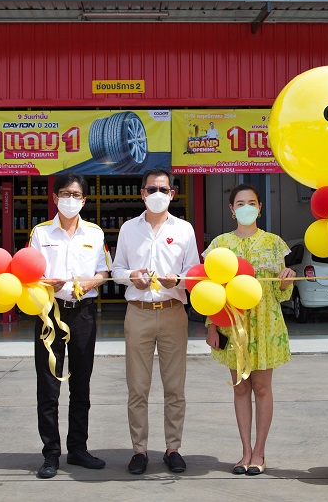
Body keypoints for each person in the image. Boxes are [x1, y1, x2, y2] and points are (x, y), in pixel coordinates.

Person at [111, 168, 200, 475]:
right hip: (139, 312)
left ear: (172, 194)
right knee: (138, 387)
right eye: (152, 189)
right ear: (142, 193)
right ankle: (139, 450)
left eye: (163, 189)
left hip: (173, 311)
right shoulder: (128, 229)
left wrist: (179, 280)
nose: (157, 194)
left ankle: (173, 448)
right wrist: (130, 276)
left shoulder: (184, 229)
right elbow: (116, 270)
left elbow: (194, 273)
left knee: (174, 387)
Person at [204, 183, 296, 476]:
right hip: (232, 324)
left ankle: (259, 452)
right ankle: (244, 452)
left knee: (262, 388)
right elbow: (210, 290)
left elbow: (281, 294)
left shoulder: (274, 243)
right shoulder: (219, 245)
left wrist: (286, 281)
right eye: (240, 203)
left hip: (266, 323)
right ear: (232, 210)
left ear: (260, 208)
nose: (246, 208)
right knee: (240, 387)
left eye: (252, 203)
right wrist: (211, 326)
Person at [28, 174, 111, 479]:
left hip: (83, 313)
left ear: (84, 200)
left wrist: (91, 282)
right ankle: (51, 453)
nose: (70, 200)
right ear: (54, 198)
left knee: (81, 384)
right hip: (49, 313)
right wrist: (43, 282)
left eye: (76, 195)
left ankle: (78, 448)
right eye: (65, 194)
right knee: (48, 385)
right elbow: (27, 271)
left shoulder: (95, 233)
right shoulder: (40, 233)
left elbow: (104, 271)